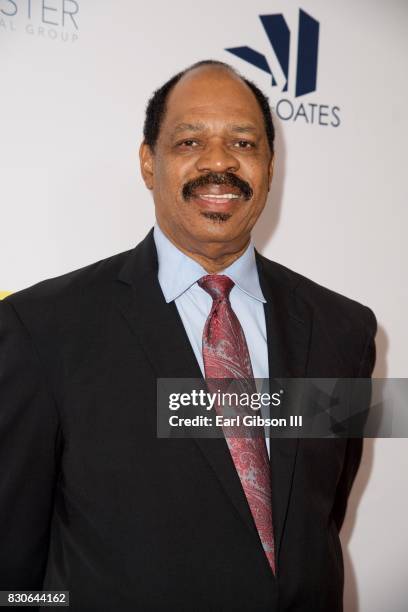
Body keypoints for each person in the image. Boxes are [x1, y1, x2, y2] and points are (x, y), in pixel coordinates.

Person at [0, 60, 376, 611]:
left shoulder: (345, 329)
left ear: (271, 166)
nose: (219, 162)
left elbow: (322, 510)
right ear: (148, 163)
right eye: (189, 141)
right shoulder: (40, 329)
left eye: (244, 143)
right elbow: (12, 569)